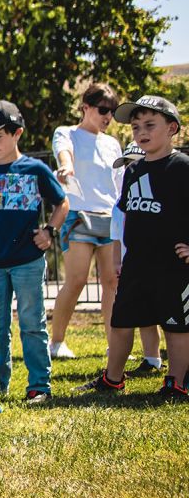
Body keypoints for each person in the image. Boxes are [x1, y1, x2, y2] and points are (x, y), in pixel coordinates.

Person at [79, 96, 189, 401]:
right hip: (137, 264)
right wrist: (121, 256)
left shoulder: (182, 166)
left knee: (176, 326)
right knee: (121, 322)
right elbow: (127, 216)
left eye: (150, 125)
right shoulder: (133, 170)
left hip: (173, 266)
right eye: (136, 126)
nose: (141, 132)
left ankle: (177, 382)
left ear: (172, 128)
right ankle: (113, 379)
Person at [0, 99, 68, 404]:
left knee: (32, 323)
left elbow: (62, 203)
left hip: (28, 262)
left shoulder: (34, 169)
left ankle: (39, 385)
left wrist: (49, 231)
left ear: (17, 133)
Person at [48, 84, 124, 359]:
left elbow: (120, 181)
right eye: (103, 109)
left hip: (109, 217)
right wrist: (66, 166)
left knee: (111, 281)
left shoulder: (112, 143)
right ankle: (56, 342)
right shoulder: (66, 133)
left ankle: (113, 343)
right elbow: (63, 152)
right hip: (78, 215)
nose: (108, 116)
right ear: (85, 107)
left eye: (112, 112)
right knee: (77, 279)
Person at [109, 141, 166, 375]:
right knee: (143, 316)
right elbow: (116, 236)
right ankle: (151, 359)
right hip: (131, 265)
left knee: (167, 313)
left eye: (134, 162)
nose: (130, 168)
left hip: (158, 263)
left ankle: (168, 360)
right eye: (127, 164)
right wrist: (116, 262)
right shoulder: (119, 204)